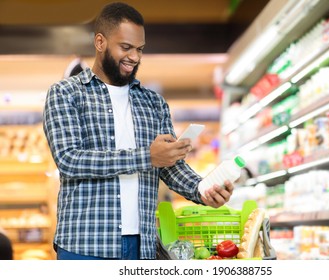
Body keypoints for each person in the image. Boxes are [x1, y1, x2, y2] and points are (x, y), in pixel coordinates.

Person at [43, 2, 233, 260]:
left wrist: (202, 190)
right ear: (100, 42)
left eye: (140, 49)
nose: (135, 57)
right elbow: (69, 160)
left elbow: (169, 165)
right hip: (85, 244)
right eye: (126, 47)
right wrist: (147, 156)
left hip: (141, 245)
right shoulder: (66, 93)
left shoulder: (153, 103)